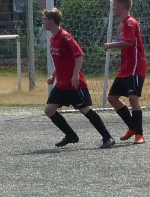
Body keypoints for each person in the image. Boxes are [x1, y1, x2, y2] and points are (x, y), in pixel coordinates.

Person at [43, 8, 115, 149]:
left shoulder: (65, 36)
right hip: (61, 84)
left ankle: (108, 137)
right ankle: (71, 135)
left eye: (44, 19)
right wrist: (54, 75)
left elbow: (79, 55)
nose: (43, 22)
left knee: (85, 110)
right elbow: (63, 61)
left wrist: (75, 75)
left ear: (52, 20)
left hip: (74, 84)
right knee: (49, 110)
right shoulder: (53, 39)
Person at [104, 0, 147, 145]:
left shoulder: (130, 22)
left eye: (114, 6)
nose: (113, 9)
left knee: (133, 98)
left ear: (122, 6)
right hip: (125, 69)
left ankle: (139, 134)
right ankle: (133, 128)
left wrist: (110, 45)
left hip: (135, 67)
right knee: (112, 98)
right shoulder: (123, 23)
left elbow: (129, 43)